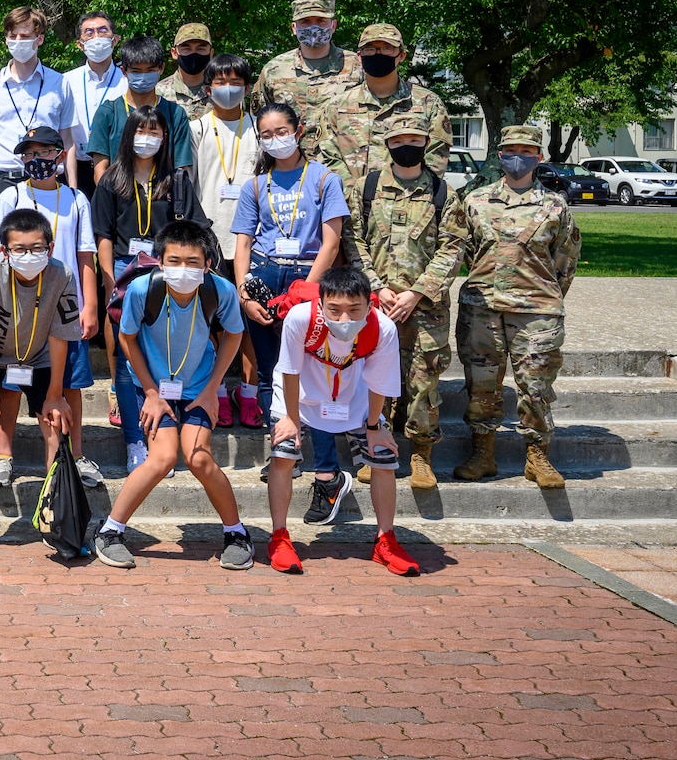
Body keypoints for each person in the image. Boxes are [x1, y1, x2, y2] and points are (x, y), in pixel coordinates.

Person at [428, 124, 581, 487]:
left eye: (527, 151)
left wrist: (541, 292)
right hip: (482, 309)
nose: (519, 158)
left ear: (539, 157)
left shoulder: (555, 206)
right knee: (481, 386)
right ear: (500, 155)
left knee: (537, 386)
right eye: (511, 150)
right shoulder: (475, 201)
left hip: (537, 313)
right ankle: (483, 453)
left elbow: (566, 262)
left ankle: (538, 456)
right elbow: (456, 252)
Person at [92, 220, 250, 570]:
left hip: (199, 386)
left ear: (208, 263)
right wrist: (149, 391)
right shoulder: (141, 290)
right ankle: (110, 532)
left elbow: (234, 336)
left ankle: (237, 533)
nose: (183, 269)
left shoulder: (220, 290)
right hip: (151, 387)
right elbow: (126, 339)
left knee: (199, 458)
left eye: (193, 262)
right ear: (160, 261)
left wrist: (213, 390)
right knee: (162, 459)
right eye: (174, 260)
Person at [263, 267, 422, 576]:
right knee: (283, 454)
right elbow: (290, 370)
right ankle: (279, 536)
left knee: (384, 458)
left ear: (369, 304)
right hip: (299, 395)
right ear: (321, 303)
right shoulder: (300, 318)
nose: (345, 319)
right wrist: (291, 419)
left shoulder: (383, 328)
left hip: (355, 396)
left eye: (354, 309)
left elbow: (380, 382)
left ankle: (385, 540)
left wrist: (374, 428)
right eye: (334, 309)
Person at [0, 208, 83, 561]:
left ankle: (55, 519)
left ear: (50, 248)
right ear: (4, 250)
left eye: (36, 248)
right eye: (18, 249)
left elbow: (60, 336)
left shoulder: (62, 274)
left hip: (35, 355)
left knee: (55, 425)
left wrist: (55, 395)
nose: (28, 256)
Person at [232, 103, 349, 470]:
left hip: (308, 277)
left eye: (281, 132)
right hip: (266, 274)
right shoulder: (255, 184)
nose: (274, 140)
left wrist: (304, 293)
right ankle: (284, 451)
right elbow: (243, 244)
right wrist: (244, 292)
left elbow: (331, 242)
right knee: (271, 371)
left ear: (297, 131)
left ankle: (327, 465)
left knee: (315, 369)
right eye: (266, 135)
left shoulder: (323, 178)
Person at [93, 106, 210, 471]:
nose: (148, 137)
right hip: (126, 276)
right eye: (141, 130)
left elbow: (196, 227)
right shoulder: (111, 180)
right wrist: (109, 279)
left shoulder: (176, 180)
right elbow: (103, 236)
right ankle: (134, 440)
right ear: (129, 135)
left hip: (168, 276)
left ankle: (166, 433)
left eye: (155, 131)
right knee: (127, 364)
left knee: (162, 354)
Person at [0, 127, 102, 486]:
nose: (37, 160)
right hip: (18, 308)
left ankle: (76, 454)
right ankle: (3, 455)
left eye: (45, 152)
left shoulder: (76, 199)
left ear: (60, 154)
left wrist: (90, 305)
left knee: (69, 384)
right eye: (29, 154)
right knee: (9, 382)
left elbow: (86, 255)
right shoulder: (10, 196)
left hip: (65, 306)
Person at [340, 122, 451, 491]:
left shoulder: (443, 192)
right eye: (399, 141)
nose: (407, 146)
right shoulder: (365, 189)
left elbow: (453, 248)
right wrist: (377, 286)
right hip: (377, 303)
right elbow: (353, 240)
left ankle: (421, 454)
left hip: (426, 306)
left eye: (415, 141)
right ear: (387, 144)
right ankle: (377, 447)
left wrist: (416, 293)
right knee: (376, 375)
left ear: (426, 144)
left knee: (424, 381)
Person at [188, 55, 263, 427]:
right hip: (210, 237)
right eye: (220, 82)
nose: (228, 88)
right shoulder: (197, 128)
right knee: (213, 319)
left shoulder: (259, 129)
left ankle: (248, 393)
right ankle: (216, 389)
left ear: (247, 87)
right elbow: (189, 182)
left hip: (253, 238)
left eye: (236, 81)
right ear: (207, 89)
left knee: (252, 319)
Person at [316, 22, 452, 190]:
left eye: (387, 48)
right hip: (351, 207)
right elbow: (327, 157)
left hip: (410, 206)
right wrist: (355, 196)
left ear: (401, 55)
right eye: (370, 49)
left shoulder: (428, 103)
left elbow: (436, 158)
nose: (378, 54)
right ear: (359, 56)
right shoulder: (336, 106)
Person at [0, 5, 76, 206]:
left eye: (25, 36)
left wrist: (73, 189)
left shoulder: (60, 83)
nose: (18, 41)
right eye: (13, 36)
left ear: (40, 39)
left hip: (46, 180)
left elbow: (67, 141)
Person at [251, 0, 362, 158]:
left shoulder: (356, 66)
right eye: (306, 22)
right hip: (289, 167)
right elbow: (260, 119)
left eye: (321, 21)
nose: (314, 27)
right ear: (294, 28)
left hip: (343, 168)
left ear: (333, 25)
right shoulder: (274, 70)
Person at [86, 35, 196, 182]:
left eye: (150, 70)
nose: (143, 77)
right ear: (124, 71)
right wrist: (108, 201)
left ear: (161, 68)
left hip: (162, 199)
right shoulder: (107, 112)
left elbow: (181, 168)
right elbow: (100, 169)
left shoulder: (175, 113)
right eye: (136, 71)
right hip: (119, 199)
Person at [68, 11, 127, 194]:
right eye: (89, 32)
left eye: (103, 31)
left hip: (118, 168)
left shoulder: (127, 81)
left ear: (115, 40)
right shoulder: (66, 82)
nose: (96, 36)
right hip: (76, 170)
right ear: (80, 44)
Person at [154, 22, 215, 116]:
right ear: (174, 53)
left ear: (210, 53)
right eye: (187, 49)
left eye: (200, 49)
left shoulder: (221, 92)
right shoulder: (158, 92)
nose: (194, 54)